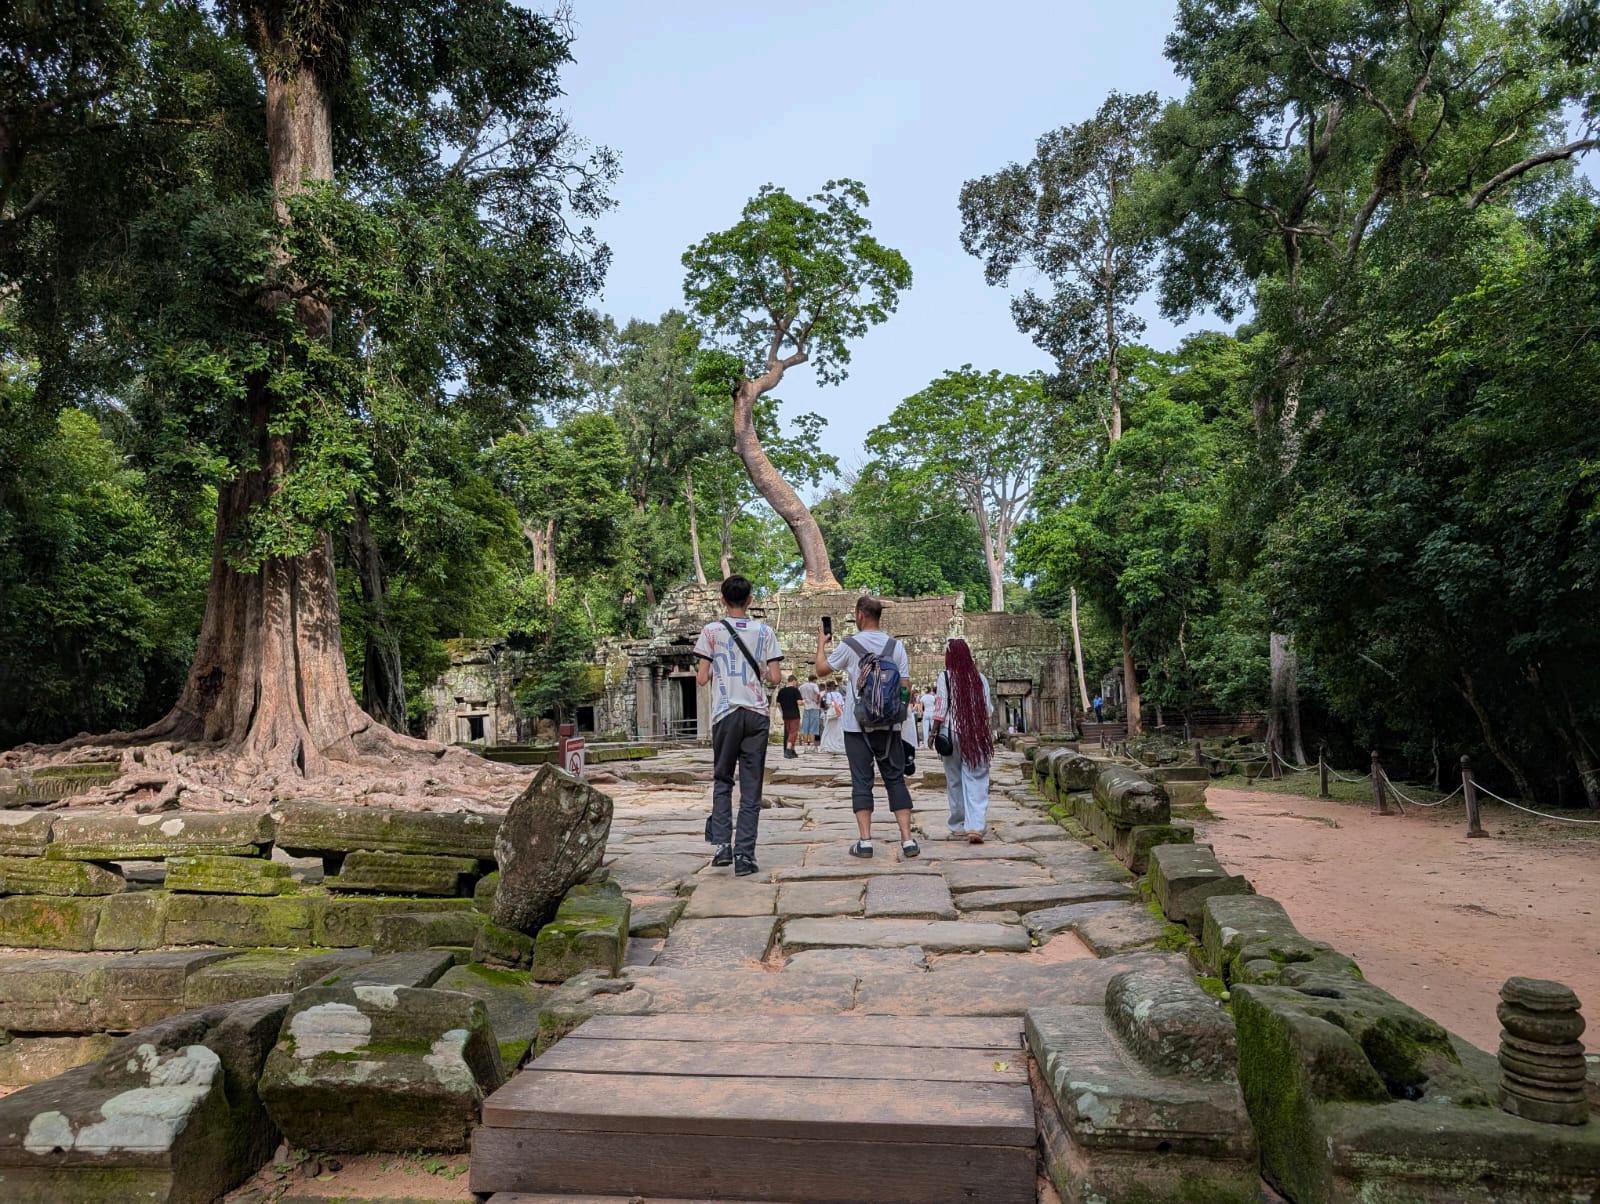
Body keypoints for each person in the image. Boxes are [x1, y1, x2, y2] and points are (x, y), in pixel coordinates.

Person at [817, 596, 919, 859]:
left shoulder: (850, 645)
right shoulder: (895, 646)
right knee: (895, 780)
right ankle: (907, 840)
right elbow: (905, 686)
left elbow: (821, 670)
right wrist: (894, 713)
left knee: (861, 781)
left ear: (860, 614)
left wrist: (821, 644)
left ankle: (865, 842)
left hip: (856, 726)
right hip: (890, 727)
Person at [693, 575, 783, 876]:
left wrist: (719, 668)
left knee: (723, 779)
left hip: (726, 712)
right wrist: (759, 671)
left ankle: (722, 845)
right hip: (756, 712)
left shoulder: (711, 631)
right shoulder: (765, 631)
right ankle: (745, 855)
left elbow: (702, 678)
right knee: (751, 786)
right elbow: (775, 678)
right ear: (750, 600)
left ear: (722, 599)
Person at [932, 637, 995, 844]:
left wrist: (933, 733)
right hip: (975, 735)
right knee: (976, 777)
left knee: (954, 780)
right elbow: (988, 710)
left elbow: (940, 710)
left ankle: (958, 824)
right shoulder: (980, 679)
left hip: (951, 734)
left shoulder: (945, 677)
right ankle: (975, 826)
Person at [776, 675, 803, 759]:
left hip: (785, 715)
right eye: (796, 682)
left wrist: (782, 712)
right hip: (794, 714)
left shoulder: (781, 691)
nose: (796, 684)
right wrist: (804, 701)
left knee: (789, 733)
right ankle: (788, 750)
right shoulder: (795, 690)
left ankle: (792, 750)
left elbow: (778, 704)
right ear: (794, 681)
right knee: (793, 732)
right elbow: (799, 703)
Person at [819, 680, 846, 754]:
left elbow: (828, 704)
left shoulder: (828, 694)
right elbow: (842, 704)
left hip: (832, 714)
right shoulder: (839, 694)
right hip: (839, 713)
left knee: (829, 730)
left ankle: (829, 746)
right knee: (839, 730)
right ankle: (840, 745)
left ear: (828, 687)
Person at [918, 683, 937, 747]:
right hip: (932, 713)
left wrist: (922, 713)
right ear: (930, 690)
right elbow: (935, 705)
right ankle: (933, 742)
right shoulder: (933, 697)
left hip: (926, 712)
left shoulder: (923, 697)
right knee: (933, 729)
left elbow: (921, 707)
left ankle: (925, 743)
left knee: (925, 729)